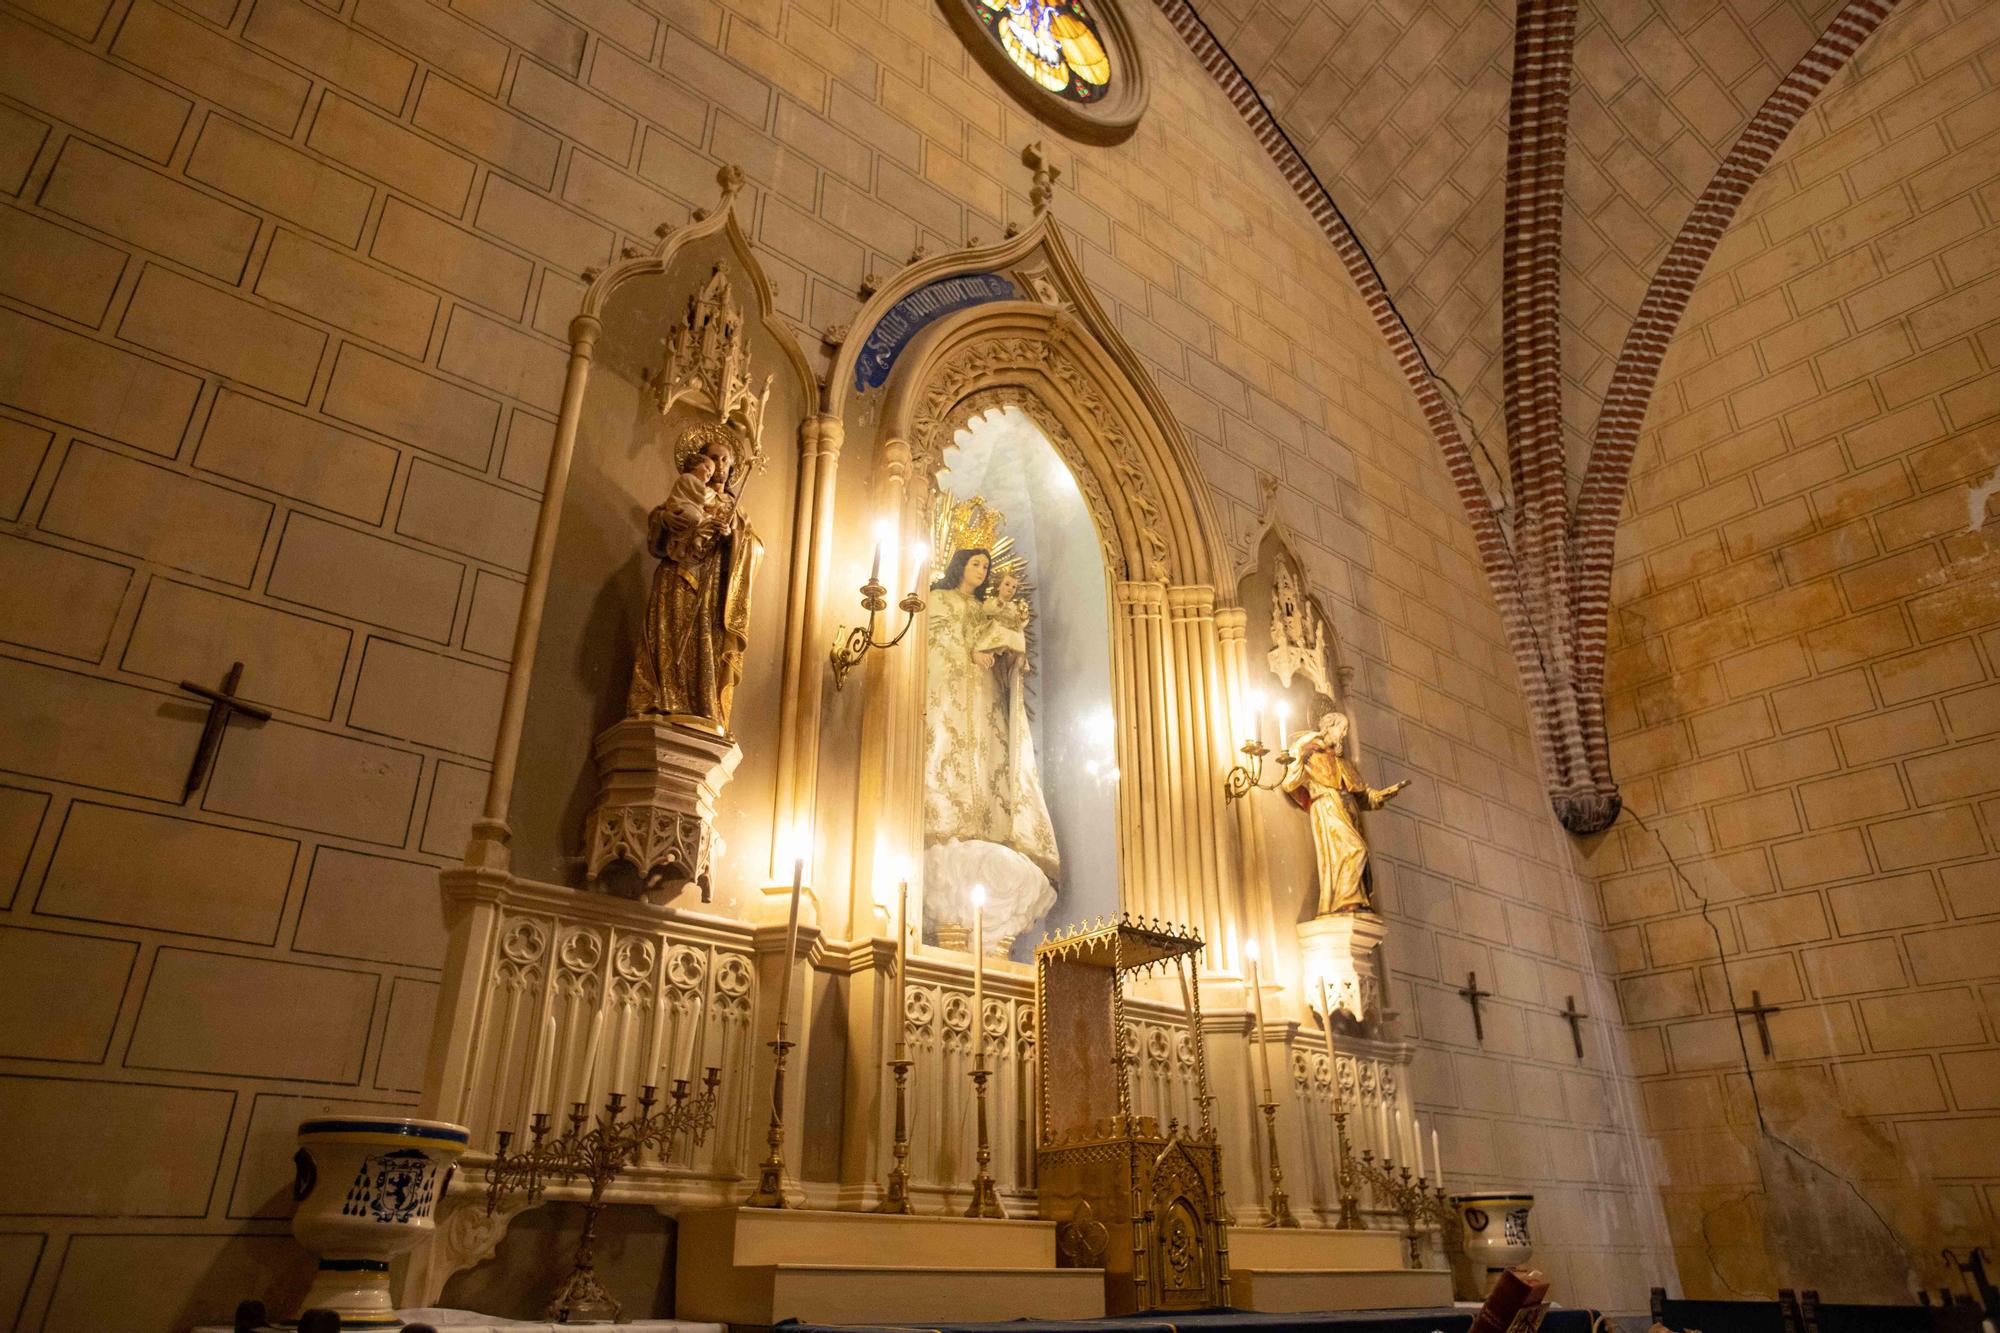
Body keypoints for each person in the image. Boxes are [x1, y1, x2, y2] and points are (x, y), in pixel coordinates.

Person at [922, 546, 1059, 945]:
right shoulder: (939, 598)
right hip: (949, 693)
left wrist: (1004, 639)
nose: (981, 570)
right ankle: (948, 819)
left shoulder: (985, 608)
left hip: (982, 698)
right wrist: (970, 652)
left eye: (986, 565)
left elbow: (1003, 640)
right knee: (949, 751)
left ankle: (985, 825)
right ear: (959, 565)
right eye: (975, 563)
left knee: (986, 757)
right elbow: (934, 640)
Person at [627, 430, 762, 729]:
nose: (720, 464)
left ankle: (701, 705)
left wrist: (734, 538)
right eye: (714, 457)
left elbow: (755, 546)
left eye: (725, 459)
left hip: (712, 589)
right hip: (677, 574)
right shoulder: (686, 489)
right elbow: (660, 531)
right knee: (669, 635)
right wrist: (663, 519)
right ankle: (661, 698)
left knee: (704, 644)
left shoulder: (734, 508)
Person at [1281, 711, 1407, 916]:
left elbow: (1363, 795)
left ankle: (1350, 900)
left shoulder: (1343, 763)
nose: (1345, 734)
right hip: (1327, 807)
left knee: (1356, 851)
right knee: (1356, 849)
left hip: (1348, 813)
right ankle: (1345, 900)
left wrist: (1384, 794)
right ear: (1328, 727)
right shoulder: (1310, 751)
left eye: (1346, 729)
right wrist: (1300, 758)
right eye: (1342, 728)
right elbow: (1289, 782)